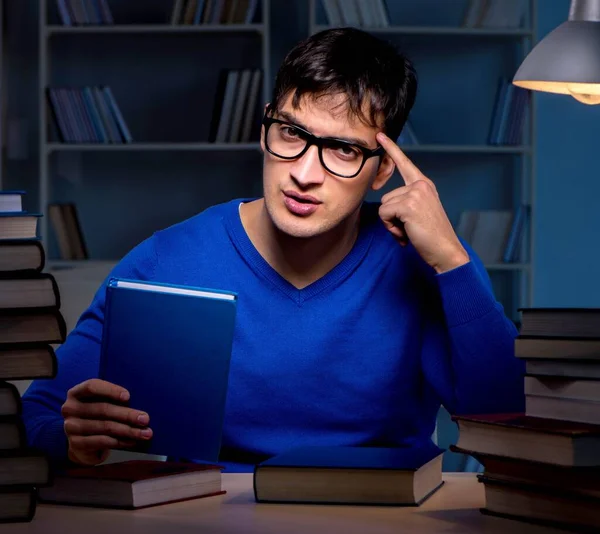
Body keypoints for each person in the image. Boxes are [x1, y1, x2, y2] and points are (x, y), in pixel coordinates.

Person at [22, 27, 524, 471]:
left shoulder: (428, 263)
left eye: (343, 149)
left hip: (384, 516)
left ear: (383, 169)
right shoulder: (166, 261)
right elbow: (38, 415)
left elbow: (511, 422)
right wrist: (72, 440)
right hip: (212, 517)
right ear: (265, 127)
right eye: (291, 133)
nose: (304, 174)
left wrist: (453, 261)